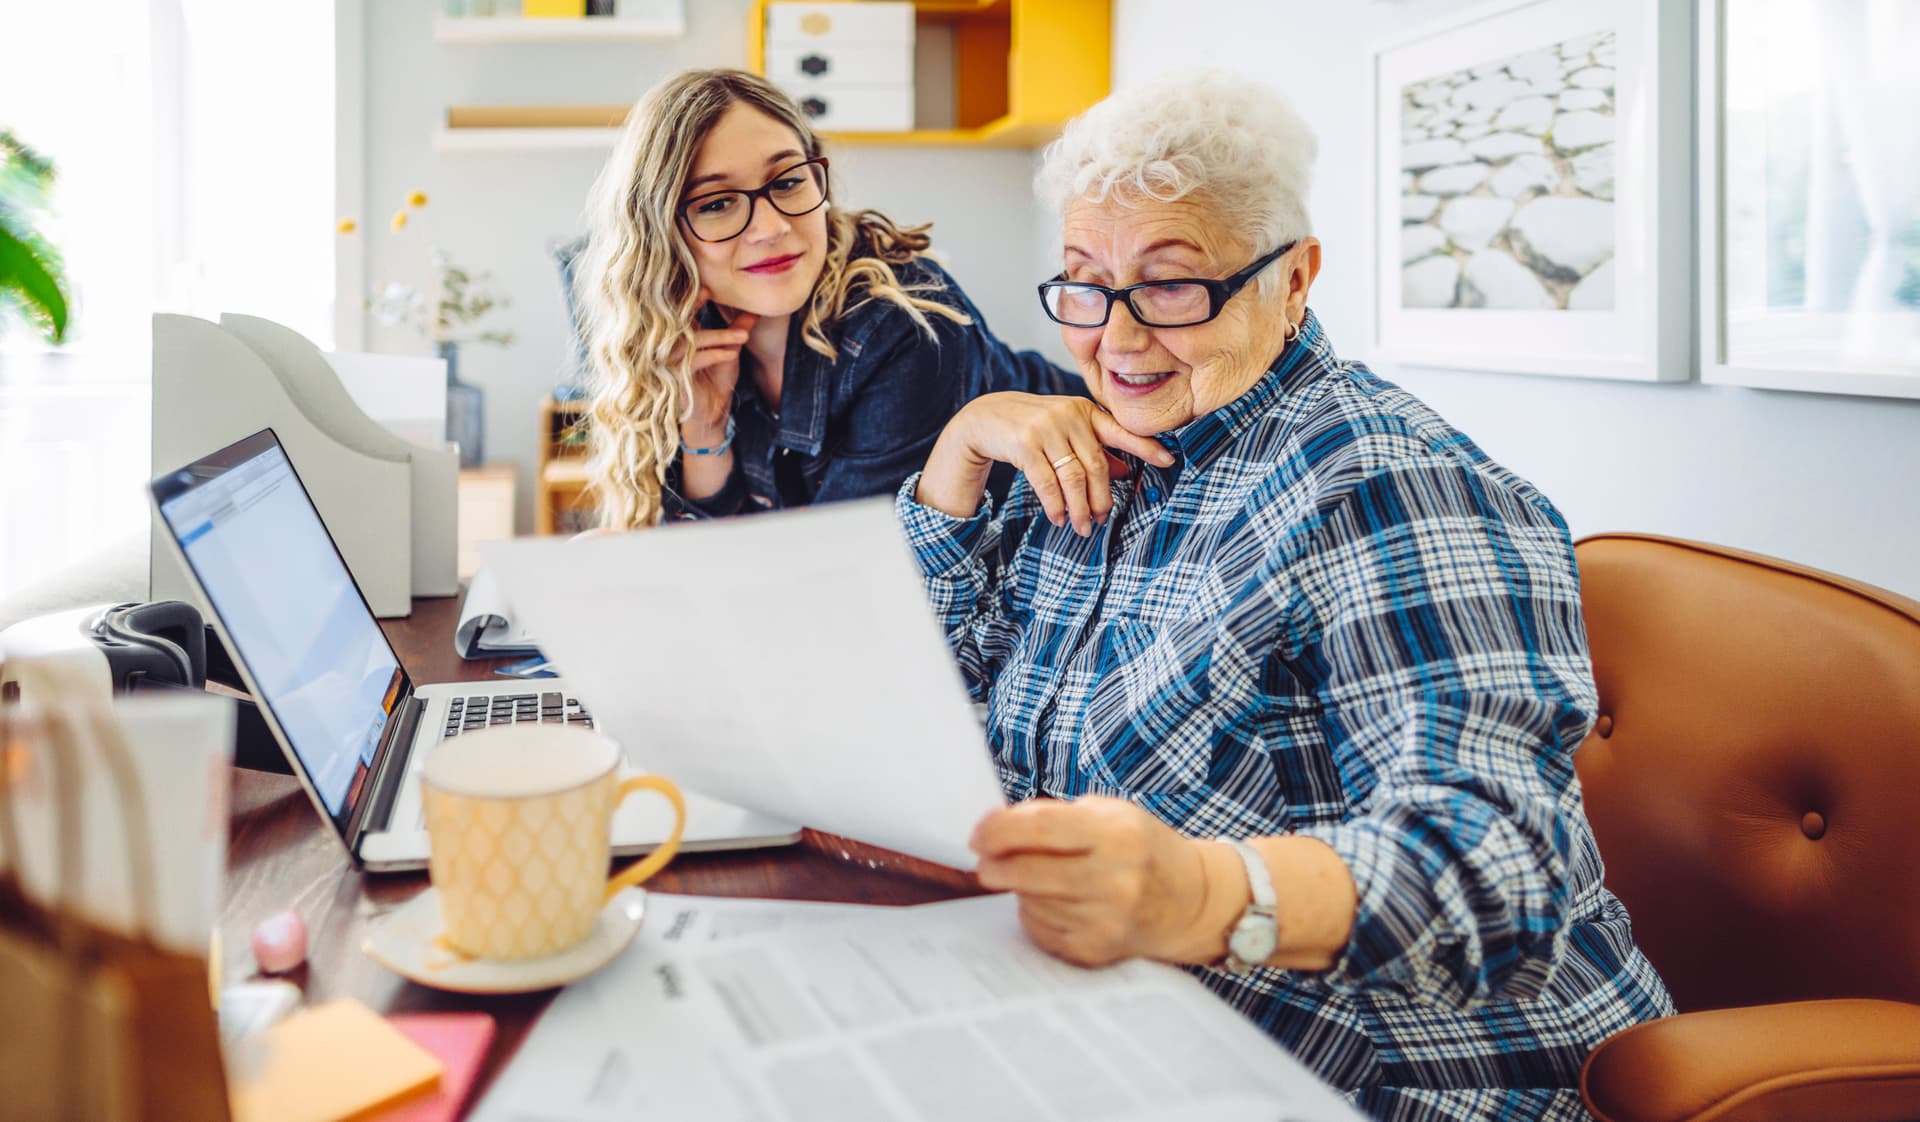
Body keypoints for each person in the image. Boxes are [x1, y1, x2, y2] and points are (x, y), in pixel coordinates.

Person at [899, 70, 1672, 1119]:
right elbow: (948, 691)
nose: (1115, 339)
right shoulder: (1113, 450)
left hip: (1412, 1086)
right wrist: (956, 461)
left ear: (1295, 278)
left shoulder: (1385, 482)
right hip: (1144, 1032)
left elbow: (1505, 868)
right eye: (1083, 281)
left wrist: (1206, 895)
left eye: (1172, 286)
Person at [576, 68, 1076, 529]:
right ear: (661, 233)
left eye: (788, 181)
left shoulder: (903, 325)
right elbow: (724, 557)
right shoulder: (687, 332)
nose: (771, 228)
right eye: (717, 203)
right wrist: (705, 428)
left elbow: (840, 574)